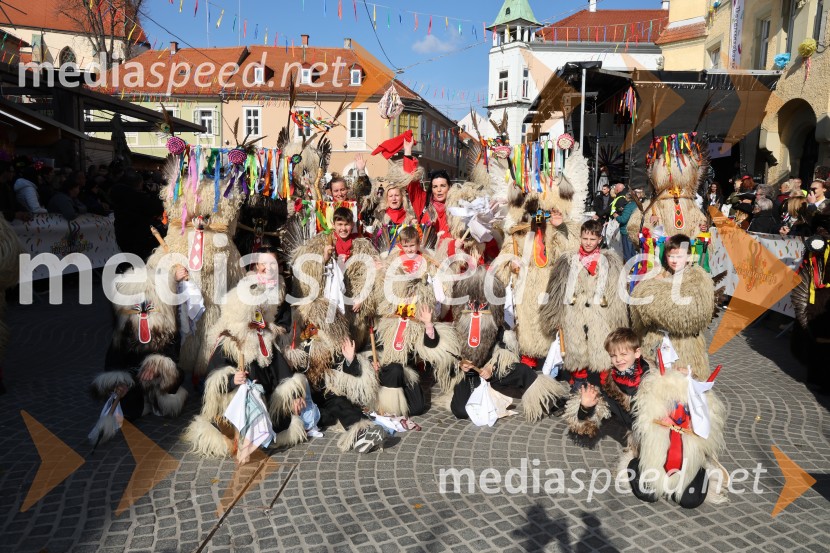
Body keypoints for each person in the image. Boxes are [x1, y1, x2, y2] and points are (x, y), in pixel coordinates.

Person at [541, 219, 629, 437]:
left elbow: (618, 298)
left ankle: (608, 406)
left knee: (603, 363)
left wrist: (618, 324)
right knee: (577, 363)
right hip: (574, 319)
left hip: (600, 319)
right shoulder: (568, 261)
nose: (588, 242)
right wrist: (555, 319)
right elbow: (555, 293)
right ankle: (579, 411)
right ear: (580, 237)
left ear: (600, 239)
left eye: (593, 238)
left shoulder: (610, 262)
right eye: (585, 238)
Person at [445, 266, 568, 422]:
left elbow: (505, 348)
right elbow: (447, 353)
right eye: (471, 302)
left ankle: (552, 400)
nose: (476, 307)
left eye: (482, 302)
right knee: (460, 411)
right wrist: (460, 364)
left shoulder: (496, 322)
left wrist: (492, 366)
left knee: (523, 371)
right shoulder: (457, 324)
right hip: (467, 374)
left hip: (493, 370)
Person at [630, 234, 715, 382]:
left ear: (689, 256)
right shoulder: (658, 276)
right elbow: (640, 303)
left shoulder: (698, 279)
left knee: (683, 389)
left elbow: (692, 313)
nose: (674, 260)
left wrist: (658, 295)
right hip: (657, 343)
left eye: (679, 256)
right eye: (670, 256)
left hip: (685, 347)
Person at [573, 328, 650, 434]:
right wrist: (585, 407)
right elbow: (586, 421)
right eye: (613, 356)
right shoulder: (609, 385)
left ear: (637, 353)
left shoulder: (654, 378)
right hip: (636, 438)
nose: (618, 360)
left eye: (623, 354)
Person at [109, 170, 164, 260]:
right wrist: (154, 194)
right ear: (138, 184)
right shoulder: (137, 198)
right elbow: (156, 209)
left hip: (122, 233)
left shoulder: (117, 194)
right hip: (139, 237)